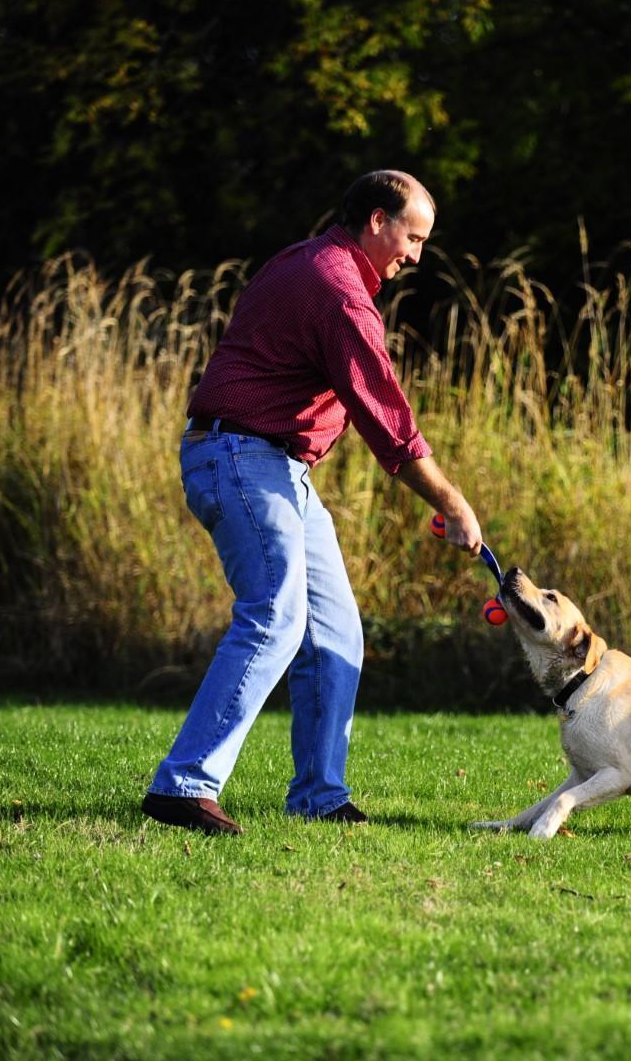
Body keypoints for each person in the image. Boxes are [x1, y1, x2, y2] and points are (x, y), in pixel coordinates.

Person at [141, 170, 482, 836]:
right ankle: (183, 785)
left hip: (277, 466)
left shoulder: (303, 259)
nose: (415, 255)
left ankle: (319, 796)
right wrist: (451, 501)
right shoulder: (337, 292)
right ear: (377, 221)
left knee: (334, 634)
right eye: (412, 237)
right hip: (244, 458)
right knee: (275, 616)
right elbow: (385, 415)